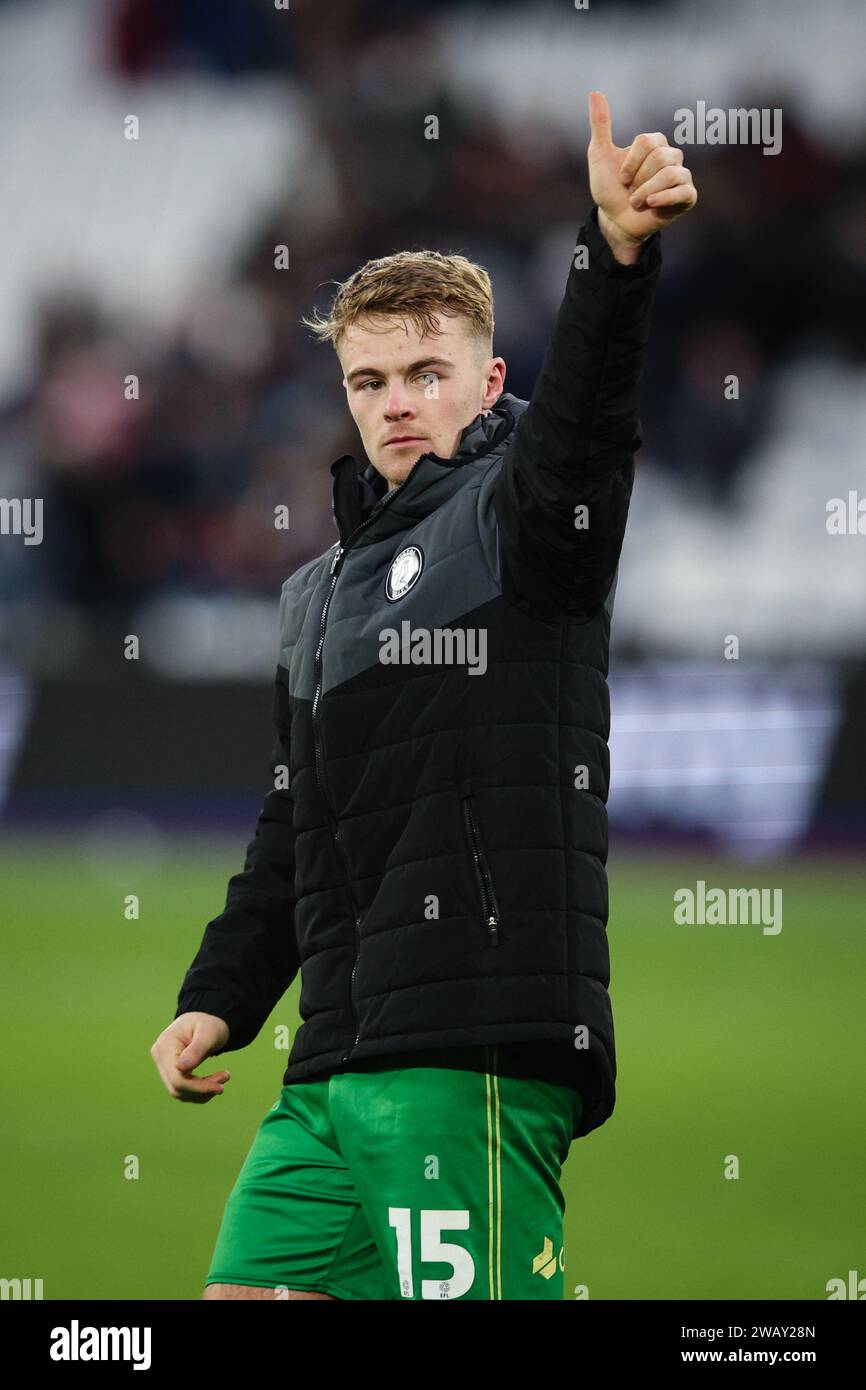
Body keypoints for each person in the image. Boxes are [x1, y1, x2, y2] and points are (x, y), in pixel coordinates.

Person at [151, 91, 697, 1300]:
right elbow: (294, 828)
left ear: (484, 376)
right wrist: (223, 998)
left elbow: (585, 429)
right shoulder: (314, 595)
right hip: (331, 1063)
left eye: (423, 372)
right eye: (369, 379)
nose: (394, 401)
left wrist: (612, 259)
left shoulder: (524, 522)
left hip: (469, 1045)